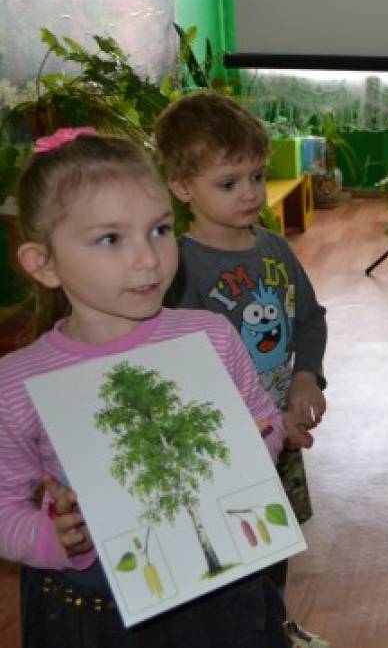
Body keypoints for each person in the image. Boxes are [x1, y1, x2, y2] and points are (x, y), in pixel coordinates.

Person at [0, 128, 289, 648]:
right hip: (98, 610)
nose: (148, 259)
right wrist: (52, 538)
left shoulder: (210, 336)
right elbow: (3, 505)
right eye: (111, 239)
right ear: (42, 263)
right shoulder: (19, 382)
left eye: (158, 230)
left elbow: (266, 421)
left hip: (221, 592)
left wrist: (254, 445)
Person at [154, 93, 329, 648]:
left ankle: (272, 624)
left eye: (256, 175)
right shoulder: (177, 268)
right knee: (228, 550)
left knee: (274, 542)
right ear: (183, 187)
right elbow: (179, 373)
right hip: (220, 449)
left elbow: (311, 319)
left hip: (280, 437)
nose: (251, 192)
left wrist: (307, 377)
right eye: (229, 183)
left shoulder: (275, 247)